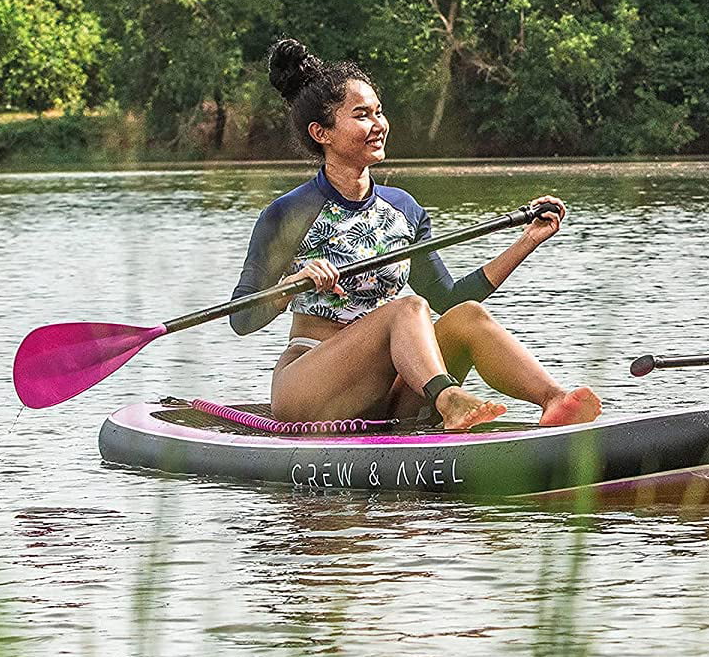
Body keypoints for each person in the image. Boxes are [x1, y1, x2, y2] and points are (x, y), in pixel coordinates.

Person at [229, 38, 601, 432]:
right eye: (362, 116)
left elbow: (450, 299)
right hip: (310, 386)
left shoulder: (404, 209)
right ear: (322, 133)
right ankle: (448, 400)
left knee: (467, 317)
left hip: (391, 387)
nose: (378, 126)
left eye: (379, 112)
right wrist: (289, 286)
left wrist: (526, 240)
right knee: (407, 308)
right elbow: (241, 318)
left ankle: (554, 400)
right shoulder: (288, 213)